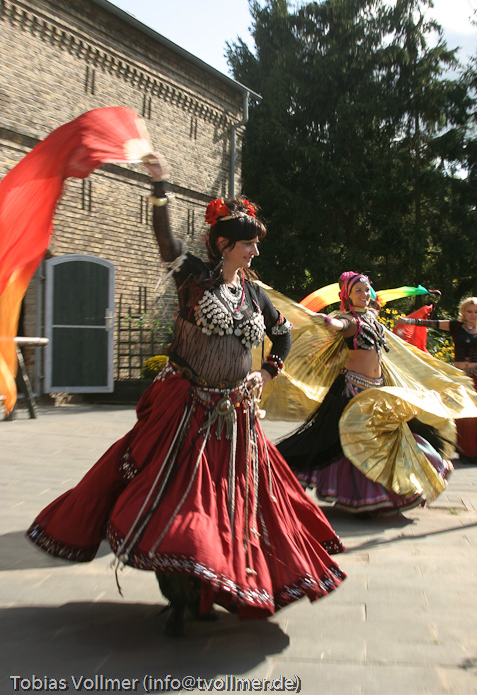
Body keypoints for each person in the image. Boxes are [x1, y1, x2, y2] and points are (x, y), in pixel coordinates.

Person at [26, 154, 345, 637]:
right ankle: (180, 594)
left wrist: (265, 372)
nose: (255, 252)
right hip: (188, 411)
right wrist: (160, 186)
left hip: (236, 418)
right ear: (224, 244)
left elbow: (281, 335)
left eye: (256, 244)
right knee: (178, 498)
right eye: (248, 244)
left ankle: (212, 586)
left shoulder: (255, 295)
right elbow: (165, 241)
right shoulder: (193, 278)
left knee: (234, 504)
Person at [275, 271, 477, 515]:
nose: (364, 294)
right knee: (350, 441)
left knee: (392, 435)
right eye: (358, 291)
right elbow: (339, 325)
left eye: (366, 290)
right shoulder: (348, 320)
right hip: (354, 391)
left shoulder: (371, 316)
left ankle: (401, 485)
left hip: (378, 388)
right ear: (347, 295)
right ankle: (359, 494)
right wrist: (326, 321)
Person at [398, 296, 477, 462]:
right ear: (463, 312)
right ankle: (467, 451)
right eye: (469, 311)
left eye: (476, 312)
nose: (473, 315)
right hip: (460, 376)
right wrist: (407, 321)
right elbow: (431, 323)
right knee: (463, 413)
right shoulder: (455, 326)